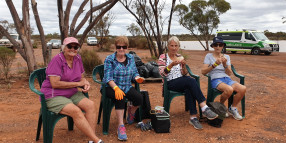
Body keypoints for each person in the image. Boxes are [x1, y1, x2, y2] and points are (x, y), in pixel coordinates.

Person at [40, 37, 103, 143]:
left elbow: (81, 77)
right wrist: (79, 84)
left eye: (75, 47)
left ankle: (91, 140)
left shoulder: (78, 58)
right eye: (70, 46)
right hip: (53, 95)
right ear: (63, 48)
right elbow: (55, 84)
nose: (73, 49)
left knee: (91, 105)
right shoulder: (57, 60)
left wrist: (85, 83)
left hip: (71, 93)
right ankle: (97, 140)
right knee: (76, 111)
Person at [158, 36, 218, 130]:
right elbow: (162, 73)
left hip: (181, 82)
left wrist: (183, 65)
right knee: (191, 81)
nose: (174, 48)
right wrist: (171, 65)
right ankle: (204, 107)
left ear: (178, 47)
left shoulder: (179, 57)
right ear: (168, 46)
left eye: (176, 46)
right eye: (171, 45)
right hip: (169, 83)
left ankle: (193, 117)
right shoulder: (163, 57)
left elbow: (184, 73)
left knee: (189, 88)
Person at [102, 36, 144, 141]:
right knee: (119, 97)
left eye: (124, 47)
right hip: (110, 86)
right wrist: (116, 88)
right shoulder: (109, 59)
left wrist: (137, 78)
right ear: (115, 47)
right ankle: (121, 126)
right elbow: (108, 77)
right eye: (119, 47)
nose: (121, 49)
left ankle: (131, 110)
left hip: (126, 86)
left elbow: (135, 72)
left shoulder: (130, 58)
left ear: (127, 47)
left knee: (139, 98)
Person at [201, 37, 246, 121]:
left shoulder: (227, 57)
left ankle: (233, 108)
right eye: (216, 45)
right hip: (215, 79)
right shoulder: (208, 56)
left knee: (243, 88)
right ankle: (221, 107)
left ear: (223, 46)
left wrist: (225, 64)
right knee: (229, 90)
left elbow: (229, 73)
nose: (218, 47)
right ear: (213, 46)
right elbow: (203, 72)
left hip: (226, 78)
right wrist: (214, 64)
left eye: (220, 45)